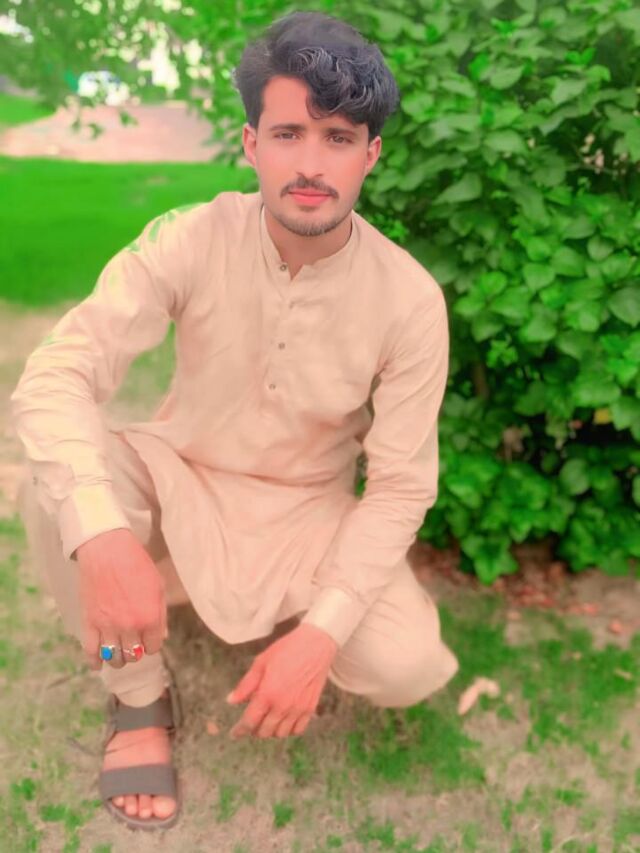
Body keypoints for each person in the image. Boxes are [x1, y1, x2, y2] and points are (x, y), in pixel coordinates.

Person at [10, 10, 459, 831]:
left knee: (405, 661)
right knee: (60, 489)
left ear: (371, 155)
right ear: (252, 144)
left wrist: (321, 635)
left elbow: (400, 487)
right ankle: (137, 696)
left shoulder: (409, 299)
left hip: (307, 515)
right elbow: (58, 372)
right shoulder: (190, 237)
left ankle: (286, 619)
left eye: (338, 137)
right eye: (288, 133)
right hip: (184, 474)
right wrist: (103, 536)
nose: (311, 164)